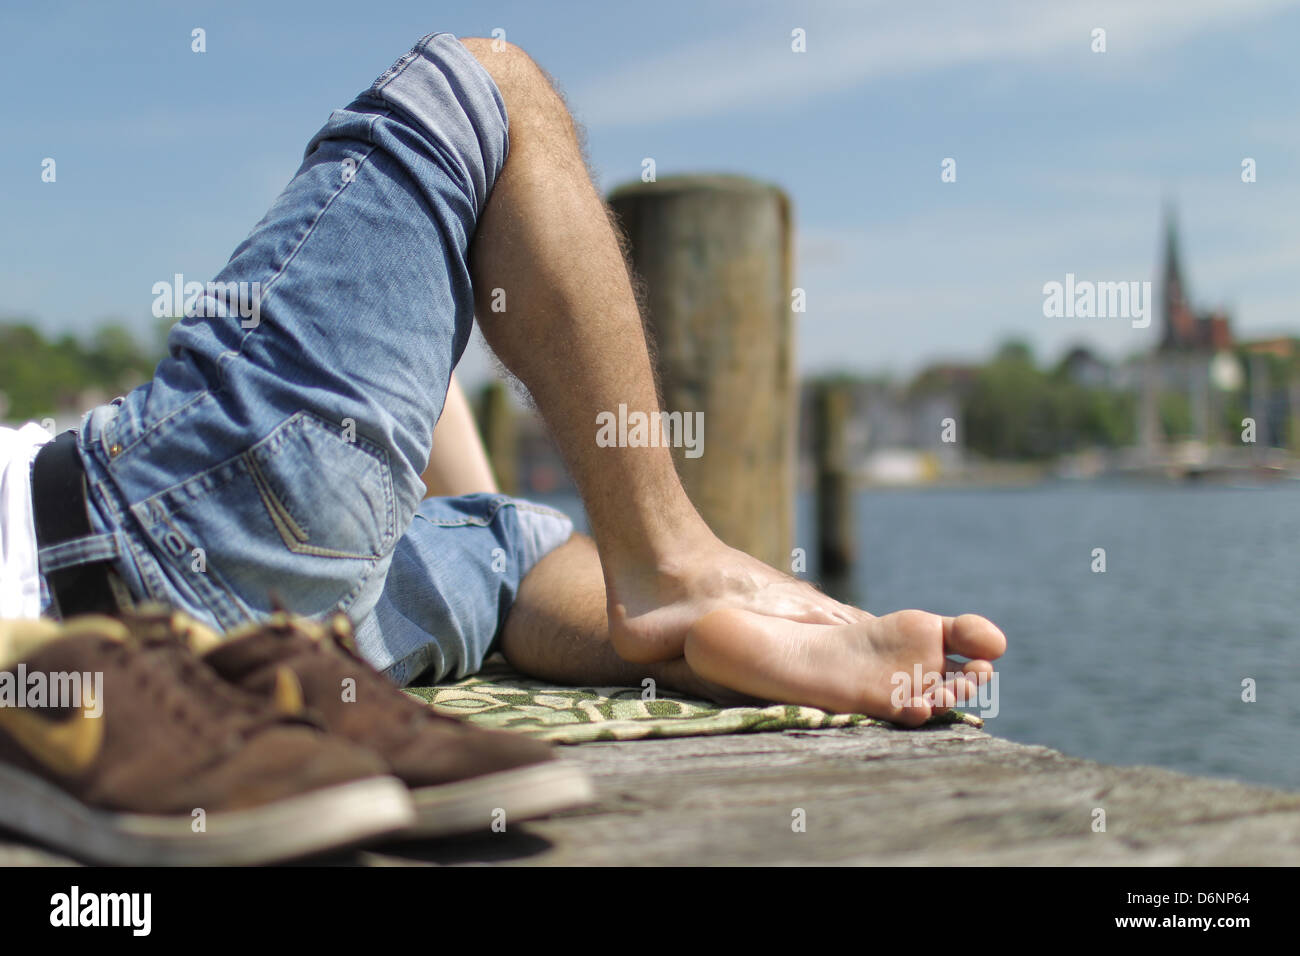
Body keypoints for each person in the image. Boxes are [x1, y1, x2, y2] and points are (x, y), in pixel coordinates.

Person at [0, 33, 1005, 862]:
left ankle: (628, 601)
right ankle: (674, 568)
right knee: (488, 90)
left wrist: (474, 520)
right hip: (133, 542)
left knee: (504, 536)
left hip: (259, 628)